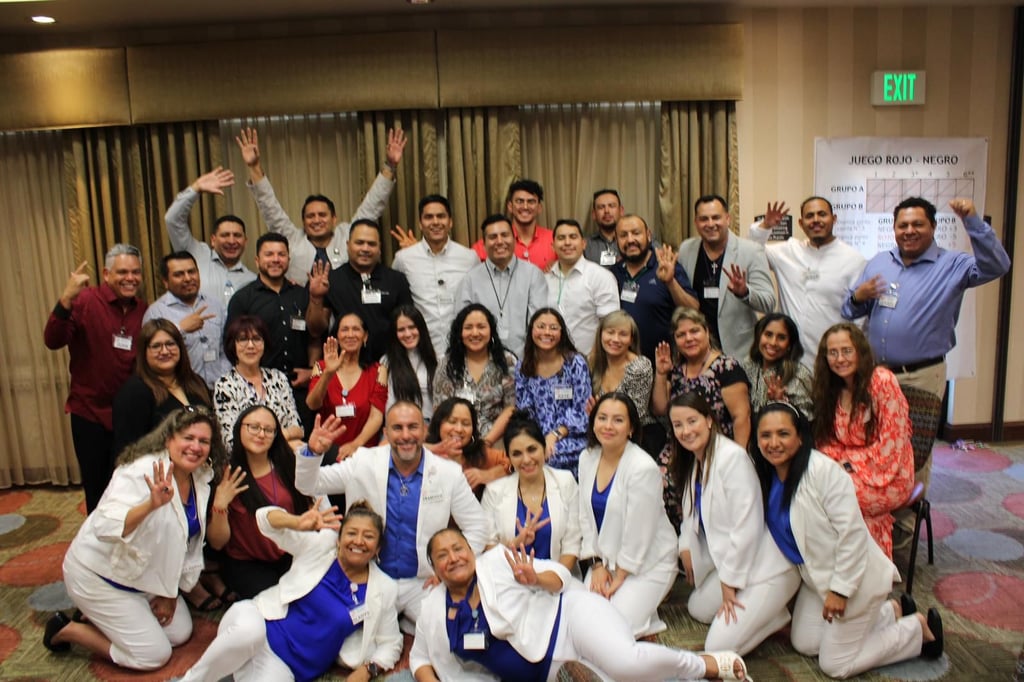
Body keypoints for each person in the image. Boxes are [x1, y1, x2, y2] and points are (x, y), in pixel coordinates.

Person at [751, 402, 943, 679]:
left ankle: (916, 630)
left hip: (855, 577)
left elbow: (852, 535)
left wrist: (840, 591)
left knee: (835, 664)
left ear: (801, 436)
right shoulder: (766, 474)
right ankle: (890, 612)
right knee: (805, 643)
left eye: (783, 433)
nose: (773, 443)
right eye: (765, 435)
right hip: (817, 578)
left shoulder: (823, 472)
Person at [411, 529, 748, 682]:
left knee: (626, 663)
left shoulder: (499, 560)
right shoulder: (432, 610)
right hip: (553, 672)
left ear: (471, 551)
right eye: (442, 555)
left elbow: (559, 574)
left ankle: (703, 664)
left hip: (570, 618)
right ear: (434, 569)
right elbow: (421, 659)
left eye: (458, 548)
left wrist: (535, 579)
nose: (453, 557)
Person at [44, 408, 226, 671]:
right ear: (168, 439)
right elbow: (105, 526)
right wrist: (150, 505)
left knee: (180, 633)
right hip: (100, 575)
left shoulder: (200, 477)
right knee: (153, 656)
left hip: (143, 577)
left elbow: (182, 544)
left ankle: (99, 617)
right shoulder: (140, 471)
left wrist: (170, 592)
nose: (195, 447)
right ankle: (67, 629)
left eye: (204, 441)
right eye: (188, 437)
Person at [295, 402, 494, 633]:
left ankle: (405, 621)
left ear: (425, 431)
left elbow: (478, 527)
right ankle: (393, 623)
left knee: (451, 632)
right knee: (343, 642)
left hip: (422, 582)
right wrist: (314, 452)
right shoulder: (363, 461)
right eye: (397, 428)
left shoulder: (447, 473)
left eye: (413, 427)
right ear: (386, 432)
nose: (406, 435)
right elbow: (308, 484)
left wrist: (448, 567)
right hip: (371, 577)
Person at [180, 501, 402, 682]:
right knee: (247, 634)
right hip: (259, 623)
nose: (359, 541)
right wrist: (296, 522)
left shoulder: (383, 587)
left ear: (378, 548)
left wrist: (366, 671)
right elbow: (264, 519)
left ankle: (233, 666)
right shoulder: (321, 546)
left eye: (369, 537)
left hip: (287, 666)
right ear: (340, 538)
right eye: (352, 533)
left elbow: (391, 643)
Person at [669, 392, 800, 655]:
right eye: (678, 425)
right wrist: (685, 544)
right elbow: (690, 515)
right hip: (735, 562)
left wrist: (729, 584)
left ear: (709, 420)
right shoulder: (694, 461)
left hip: (765, 565)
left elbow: (747, 529)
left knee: (717, 647)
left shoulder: (732, 459)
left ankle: (769, 609)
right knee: (698, 607)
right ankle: (772, 617)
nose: (685, 431)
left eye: (692, 421)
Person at [843, 197, 1010, 400]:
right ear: (894, 229)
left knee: (916, 433)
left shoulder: (953, 264)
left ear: (933, 226)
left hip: (921, 377)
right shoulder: (880, 262)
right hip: (877, 375)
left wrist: (973, 222)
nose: (909, 231)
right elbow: (848, 311)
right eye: (902, 225)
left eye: (918, 224)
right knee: (875, 432)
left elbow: (997, 266)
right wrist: (857, 298)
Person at [44, 244, 147, 512]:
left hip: (129, 416)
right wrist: (66, 298)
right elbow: (53, 340)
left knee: (130, 486)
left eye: (136, 272)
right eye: (123, 271)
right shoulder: (85, 301)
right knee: (97, 488)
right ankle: (98, 548)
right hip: (90, 414)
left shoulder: (144, 310)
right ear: (106, 273)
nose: (130, 278)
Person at [236, 126, 406, 284]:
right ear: (303, 221)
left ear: (334, 218)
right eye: (310, 216)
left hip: (347, 311)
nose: (316, 220)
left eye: (322, 215)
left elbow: (373, 204)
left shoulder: (349, 234)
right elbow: (269, 206)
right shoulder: (292, 239)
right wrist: (254, 166)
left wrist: (390, 165)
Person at [577, 392, 678, 637]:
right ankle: (643, 609)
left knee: (615, 630)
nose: (608, 426)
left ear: (631, 428)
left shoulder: (642, 468)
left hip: (648, 561)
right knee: (583, 621)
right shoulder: (587, 457)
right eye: (602, 418)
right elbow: (584, 517)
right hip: (606, 558)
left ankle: (644, 608)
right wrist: (597, 564)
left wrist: (620, 577)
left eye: (618, 420)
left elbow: (639, 533)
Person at [811, 322, 914, 558]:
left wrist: (846, 464)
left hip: (891, 473)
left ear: (860, 351)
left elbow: (892, 444)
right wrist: (831, 466)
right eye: (833, 352)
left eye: (847, 351)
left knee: (838, 498)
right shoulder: (833, 388)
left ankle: (867, 573)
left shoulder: (882, 381)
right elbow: (831, 441)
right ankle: (835, 568)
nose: (840, 359)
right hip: (849, 469)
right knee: (813, 489)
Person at [653, 308, 751, 528]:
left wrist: (740, 459)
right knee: (659, 479)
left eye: (694, 331)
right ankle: (682, 545)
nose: (689, 338)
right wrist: (661, 374)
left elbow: (741, 417)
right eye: (681, 335)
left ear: (707, 332)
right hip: (681, 446)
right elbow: (660, 408)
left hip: (717, 447)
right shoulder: (677, 370)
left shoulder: (726, 367)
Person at [206, 405, 313, 599]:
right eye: (253, 427)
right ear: (239, 429)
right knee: (276, 603)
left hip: (290, 552)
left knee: (309, 597)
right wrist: (220, 505)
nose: (261, 434)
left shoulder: (287, 464)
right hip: (248, 563)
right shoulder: (226, 475)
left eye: (269, 430)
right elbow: (217, 542)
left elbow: (308, 505)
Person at [748, 198, 866, 365]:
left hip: (832, 360)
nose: (816, 220)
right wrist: (765, 226)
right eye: (810, 216)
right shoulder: (788, 252)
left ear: (834, 219)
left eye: (822, 214)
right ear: (801, 223)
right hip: (790, 360)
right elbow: (752, 252)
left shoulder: (854, 260)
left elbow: (860, 317)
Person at [227, 232, 314, 431]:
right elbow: (231, 345)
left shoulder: (301, 295)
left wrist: (312, 371)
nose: (276, 259)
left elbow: (315, 338)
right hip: (258, 391)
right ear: (257, 260)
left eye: (281, 255)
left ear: (288, 260)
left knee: (301, 446)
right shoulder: (243, 299)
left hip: (300, 389)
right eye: (269, 254)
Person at [677, 194, 775, 358]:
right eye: (703, 219)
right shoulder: (686, 249)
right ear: (696, 222)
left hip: (738, 352)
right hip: (698, 353)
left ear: (728, 218)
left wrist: (745, 292)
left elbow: (769, 303)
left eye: (716, 217)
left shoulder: (751, 251)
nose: (710, 224)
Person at [481, 413, 581, 572]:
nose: (526, 460)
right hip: (510, 580)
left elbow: (572, 545)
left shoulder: (565, 482)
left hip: (558, 580)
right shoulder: (494, 491)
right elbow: (489, 547)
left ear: (544, 448)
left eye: (532, 449)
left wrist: (549, 581)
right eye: (517, 454)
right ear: (509, 457)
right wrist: (515, 542)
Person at [307, 218, 413, 361]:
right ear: (348, 245)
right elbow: (315, 330)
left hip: (390, 363)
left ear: (379, 248)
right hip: (345, 365)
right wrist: (316, 299)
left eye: (371, 244)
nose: (365, 248)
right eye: (359, 243)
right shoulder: (331, 280)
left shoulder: (397, 280)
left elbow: (408, 326)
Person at [391, 194, 481, 353]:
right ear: (420, 223)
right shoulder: (403, 259)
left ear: (450, 222)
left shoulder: (469, 257)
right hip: (420, 349)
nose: (435, 222)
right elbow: (396, 301)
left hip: (461, 348)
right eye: (428, 217)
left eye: (441, 216)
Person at [112, 319, 212, 461]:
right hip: (158, 474)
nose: (164, 351)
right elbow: (128, 450)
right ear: (144, 352)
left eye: (170, 344)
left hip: (201, 471)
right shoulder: (134, 392)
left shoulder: (196, 383)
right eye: (156, 346)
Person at [514, 308, 592, 477]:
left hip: (571, 436)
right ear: (531, 331)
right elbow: (524, 411)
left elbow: (582, 411)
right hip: (535, 437)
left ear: (561, 332)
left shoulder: (575, 364)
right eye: (541, 326)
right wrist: (536, 440)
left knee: (550, 457)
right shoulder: (523, 366)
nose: (546, 332)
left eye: (553, 328)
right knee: (526, 456)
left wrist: (555, 435)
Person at [458, 214, 548, 358]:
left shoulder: (533, 275)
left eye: (505, 235)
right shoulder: (470, 280)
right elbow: (462, 326)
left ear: (514, 238)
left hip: (526, 363)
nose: (499, 241)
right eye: (493, 237)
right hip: (484, 363)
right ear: (484, 243)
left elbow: (540, 322)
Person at [164, 167, 256, 306]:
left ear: (245, 241)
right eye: (225, 235)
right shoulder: (196, 254)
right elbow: (172, 220)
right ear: (213, 240)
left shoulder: (252, 280)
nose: (231, 241)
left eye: (237, 235)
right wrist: (196, 189)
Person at [610, 214, 698, 361]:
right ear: (616, 240)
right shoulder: (613, 273)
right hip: (623, 363)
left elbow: (693, 309)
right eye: (623, 235)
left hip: (663, 363)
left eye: (636, 233)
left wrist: (670, 282)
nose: (630, 240)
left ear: (648, 235)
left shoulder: (666, 266)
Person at [213, 315, 304, 450]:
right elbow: (230, 441)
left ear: (264, 344)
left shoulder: (278, 378)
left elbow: (298, 429)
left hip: (284, 453)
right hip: (247, 460)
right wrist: (281, 441)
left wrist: (280, 439)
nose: (251, 345)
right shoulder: (225, 385)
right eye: (243, 339)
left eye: (256, 339)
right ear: (233, 346)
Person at [143, 251, 231, 390]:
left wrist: (223, 376)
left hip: (219, 388)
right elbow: (150, 357)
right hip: (181, 391)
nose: (188, 278)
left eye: (192, 272)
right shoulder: (156, 312)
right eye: (179, 274)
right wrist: (180, 329)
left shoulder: (215, 305)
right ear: (165, 282)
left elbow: (226, 348)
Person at [433, 304, 516, 449]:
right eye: (468, 327)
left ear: (491, 330)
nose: (475, 333)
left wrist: (488, 441)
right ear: (460, 332)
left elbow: (511, 408)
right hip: (455, 438)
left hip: (496, 439)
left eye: (481, 327)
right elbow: (440, 410)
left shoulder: (507, 361)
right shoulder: (446, 364)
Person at [307, 312, 387, 460]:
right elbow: (312, 404)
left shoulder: (378, 371)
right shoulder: (321, 367)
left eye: (356, 329)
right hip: (327, 452)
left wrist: (356, 445)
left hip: (364, 453)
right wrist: (328, 373)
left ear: (365, 336)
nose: (350, 334)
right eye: (344, 329)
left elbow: (376, 417)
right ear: (337, 336)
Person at [588, 310, 663, 458]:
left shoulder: (639, 367)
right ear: (601, 335)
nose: (615, 339)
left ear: (631, 340)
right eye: (610, 332)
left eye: (623, 334)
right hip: (604, 430)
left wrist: (597, 414)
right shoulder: (592, 363)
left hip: (639, 434)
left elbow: (637, 414)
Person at [545, 219, 620, 356]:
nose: (567, 243)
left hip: (590, 363)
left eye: (573, 237)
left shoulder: (601, 277)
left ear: (583, 243)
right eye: (561, 238)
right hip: (551, 362)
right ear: (553, 246)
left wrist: (593, 361)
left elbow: (610, 325)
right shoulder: (544, 280)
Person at [425, 397, 509, 498]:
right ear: (438, 425)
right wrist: (428, 448)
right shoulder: (426, 452)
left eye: (466, 424)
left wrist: (487, 475)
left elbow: (514, 462)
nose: (459, 429)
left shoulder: (480, 453)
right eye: (452, 421)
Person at [740, 312, 814, 419]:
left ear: (790, 345)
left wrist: (782, 403)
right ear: (759, 336)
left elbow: (808, 419)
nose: (773, 342)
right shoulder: (748, 365)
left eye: (781, 338)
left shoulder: (799, 374)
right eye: (768, 335)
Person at [472, 179, 556, 270]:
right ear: (510, 206)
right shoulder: (491, 243)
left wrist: (559, 267)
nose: (525, 207)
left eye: (531, 201)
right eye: (519, 201)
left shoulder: (555, 239)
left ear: (539, 208)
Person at [379, 305, 438, 421]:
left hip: (431, 428)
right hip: (402, 427)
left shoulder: (436, 359)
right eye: (401, 330)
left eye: (412, 327)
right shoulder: (387, 362)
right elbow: (389, 402)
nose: (408, 334)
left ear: (421, 328)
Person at [584, 188, 626, 265]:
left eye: (612, 206)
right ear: (594, 214)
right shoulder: (585, 245)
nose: (606, 211)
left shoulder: (634, 241)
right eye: (601, 207)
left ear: (621, 211)